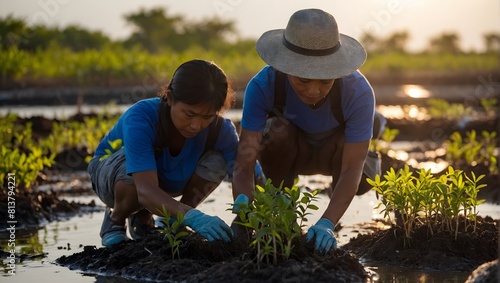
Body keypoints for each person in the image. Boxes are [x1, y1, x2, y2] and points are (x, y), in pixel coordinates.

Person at [232, 9, 380, 254]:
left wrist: (327, 222)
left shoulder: (358, 91)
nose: (313, 91)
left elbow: (352, 167)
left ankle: (333, 216)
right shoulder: (263, 86)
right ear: (285, 66)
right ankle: (283, 208)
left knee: (349, 146)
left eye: (324, 81)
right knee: (278, 131)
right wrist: (242, 210)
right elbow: (245, 163)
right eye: (303, 79)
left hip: (337, 156)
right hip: (289, 153)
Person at [88, 59, 247, 247]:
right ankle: (115, 219)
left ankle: (171, 220)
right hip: (113, 176)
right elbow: (145, 190)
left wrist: (245, 209)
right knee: (130, 164)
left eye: (207, 117)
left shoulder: (221, 129)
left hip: (161, 179)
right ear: (170, 98)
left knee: (218, 159)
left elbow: (245, 174)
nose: (196, 125)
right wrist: (193, 217)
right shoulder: (141, 117)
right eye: (189, 114)